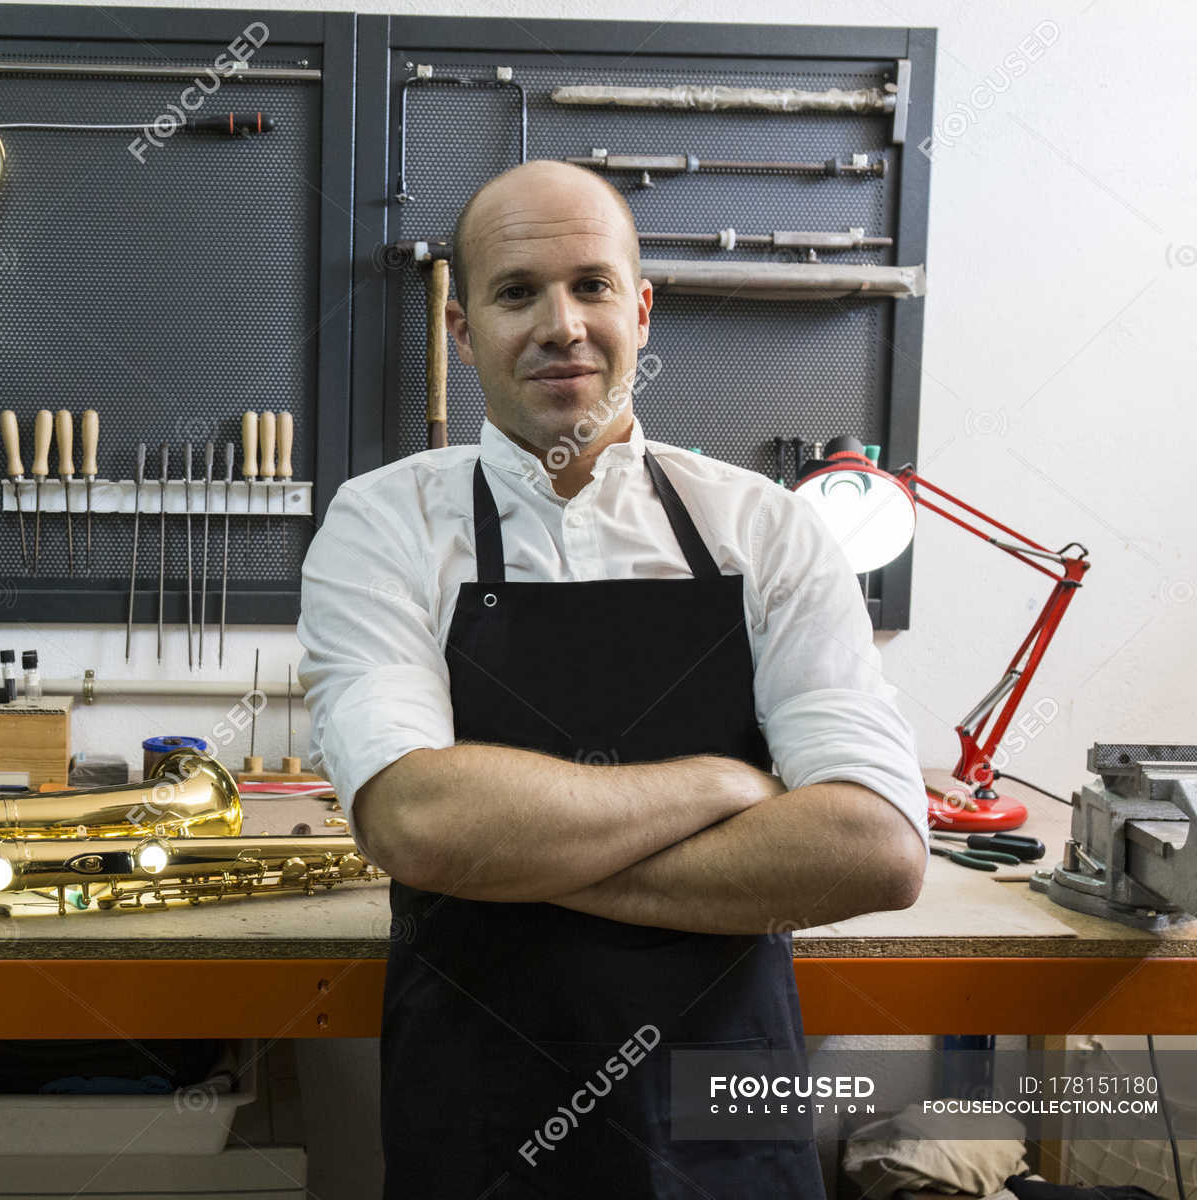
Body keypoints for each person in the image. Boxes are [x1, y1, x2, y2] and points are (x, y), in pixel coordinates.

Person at [295, 160, 928, 1198]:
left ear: (640, 309)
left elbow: (875, 849)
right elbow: (419, 822)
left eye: (591, 285)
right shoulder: (383, 524)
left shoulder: (766, 529)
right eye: (516, 292)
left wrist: (505, 862)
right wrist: (725, 786)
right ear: (460, 329)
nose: (562, 325)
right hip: (483, 1103)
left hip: (727, 1104)